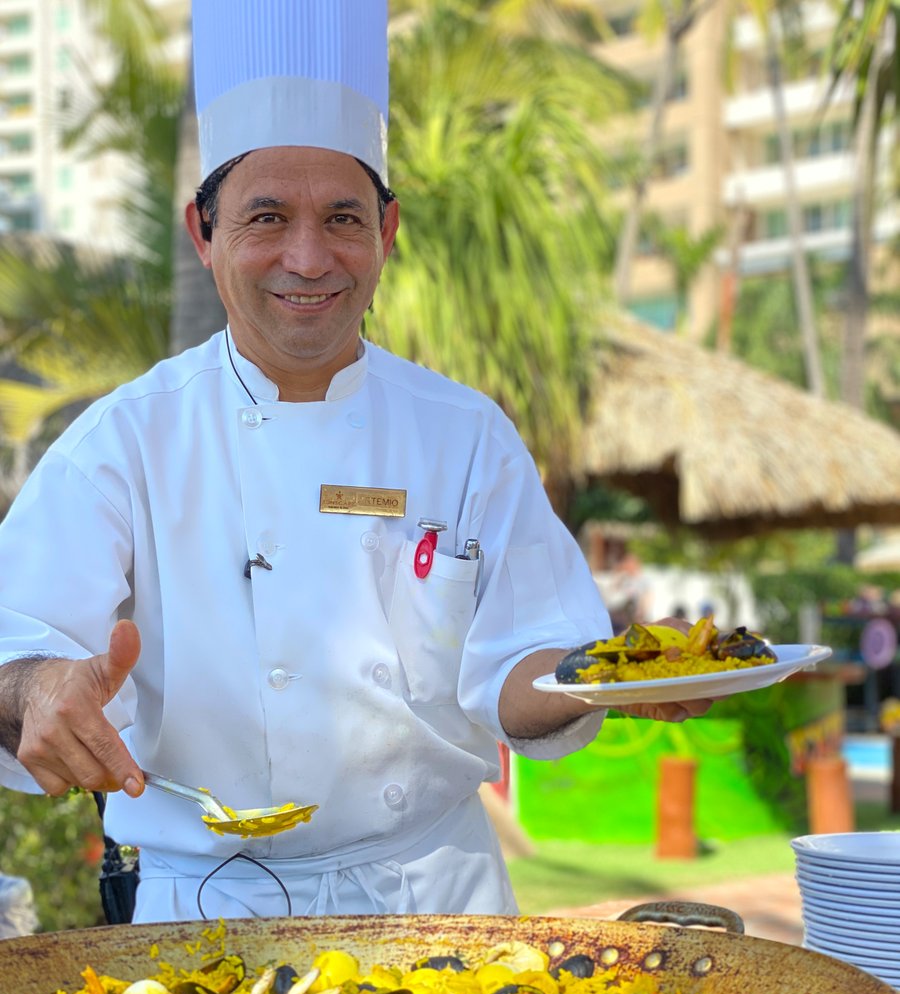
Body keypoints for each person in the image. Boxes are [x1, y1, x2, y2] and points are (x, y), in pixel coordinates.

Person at [0, 0, 707, 923]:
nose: (308, 257)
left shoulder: (466, 434)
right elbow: (14, 647)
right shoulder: (125, 441)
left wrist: (620, 673)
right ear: (203, 235)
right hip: (205, 911)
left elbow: (520, 662)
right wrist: (39, 688)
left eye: (342, 217)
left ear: (388, 231)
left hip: (438, 902)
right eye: (266, 217)